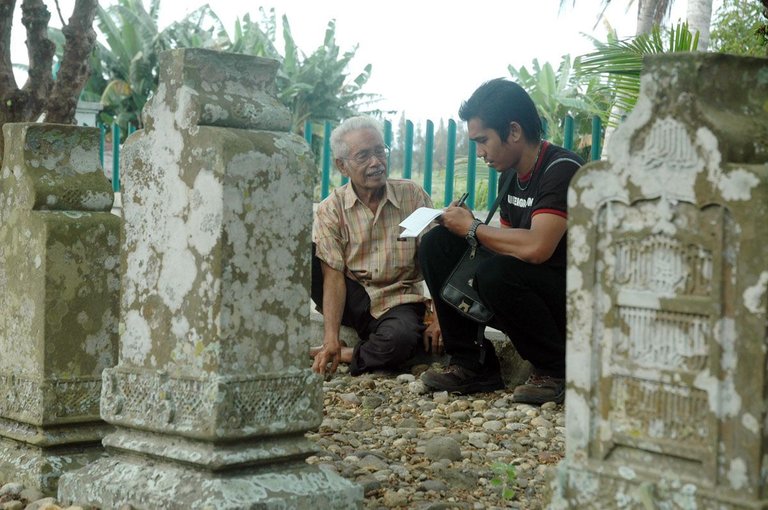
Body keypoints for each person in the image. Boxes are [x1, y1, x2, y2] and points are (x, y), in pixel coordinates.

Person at [418, 78, 583, 404]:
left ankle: (555, 370)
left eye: (483, 141)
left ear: (514, 131)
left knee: (495, 274)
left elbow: (537, 247)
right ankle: (471, 362)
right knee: (437, 244)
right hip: (533, 290)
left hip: (573, 297)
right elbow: (505, 242)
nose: (480, 153)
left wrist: (473, 227)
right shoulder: (510, 176)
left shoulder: (561, 169)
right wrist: (461, 229)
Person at [310, 116, 441, 376]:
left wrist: (439, 316)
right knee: (303, 255)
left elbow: (438, 259)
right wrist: (331, 337)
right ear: (342, 166)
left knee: (401, 339)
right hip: (353, 297)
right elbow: (333, 275)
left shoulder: (412, 196)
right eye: (363, 156)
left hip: (398, 300)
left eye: (380, 152)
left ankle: (349, 354)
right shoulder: (331, 209)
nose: (376, 163)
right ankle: (336, 347)